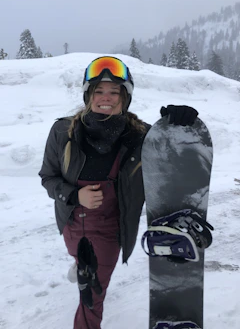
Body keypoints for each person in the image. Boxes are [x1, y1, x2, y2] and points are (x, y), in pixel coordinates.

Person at [38, 56, 199, 329]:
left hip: (110, 228)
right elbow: (48, 178)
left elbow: (174, 154)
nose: (106, 98)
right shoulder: (63, 131)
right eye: (99, 91)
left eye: (115, 92)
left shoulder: (141, 136)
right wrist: (76, 196)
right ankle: (81, 265)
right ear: (88, 95)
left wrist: (179, 122)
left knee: (93, 292)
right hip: (72, 222)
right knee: (82, 263)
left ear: (126, 98)